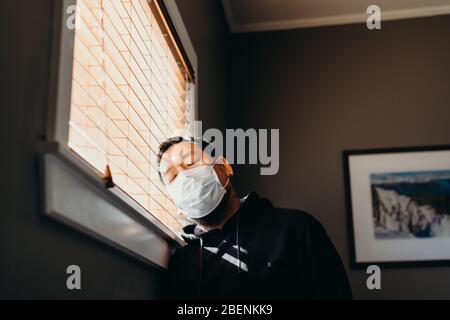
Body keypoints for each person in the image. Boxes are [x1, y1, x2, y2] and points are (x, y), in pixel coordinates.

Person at [158, 136, 352, 299]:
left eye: (191, 162)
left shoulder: (296, 229)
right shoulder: (181, 264)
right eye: (172, 177)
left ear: (225, 166)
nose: (185, 176)